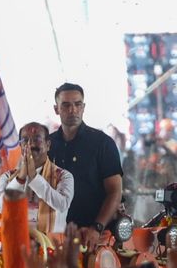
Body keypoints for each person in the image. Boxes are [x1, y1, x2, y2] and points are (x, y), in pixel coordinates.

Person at [48, 83, 123, 249]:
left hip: (96, 237)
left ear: (83, 107)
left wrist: (97, 227)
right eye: (66, 105)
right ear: (56, 109)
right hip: (56, 237)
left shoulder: (102, 143)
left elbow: (115, 192)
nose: (72, 110)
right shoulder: (48, 144)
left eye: (77, 104)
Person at [0, 122, 74, 234]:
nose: (30, 144)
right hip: (17, 240)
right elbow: (0, 206)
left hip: (51, 243)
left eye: (37, 139)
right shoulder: (7, 177)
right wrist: (20, 179)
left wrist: (34, 177)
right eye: (25, 140)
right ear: (20, 146)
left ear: (48, 145)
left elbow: (62, 205)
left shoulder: (63, 176)